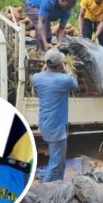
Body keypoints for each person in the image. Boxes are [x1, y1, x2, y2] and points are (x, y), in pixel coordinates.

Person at [32, 49, 78, 182]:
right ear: (60, 65)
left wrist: (45, 69)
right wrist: (68, 71)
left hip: (46, 124)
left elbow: (42, 75)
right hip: (56, 127)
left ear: (46, 64)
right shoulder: (65, 80)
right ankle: (44, 189)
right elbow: (75, 84)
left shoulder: (37, 78)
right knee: (56, 162)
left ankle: (58, 185)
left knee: (60, 158)